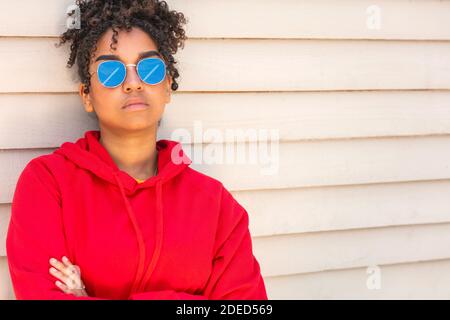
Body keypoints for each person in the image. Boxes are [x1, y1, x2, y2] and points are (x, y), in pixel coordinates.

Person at [6, 0, 268, 300]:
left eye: (150, 68)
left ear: (167, 85)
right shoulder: (49, 184)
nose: (133, 83)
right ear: (87, 96)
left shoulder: (217, 205)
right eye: (110, 71)